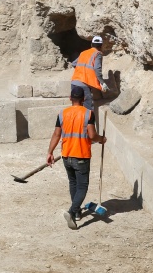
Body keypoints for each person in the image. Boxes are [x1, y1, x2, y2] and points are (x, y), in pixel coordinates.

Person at [46, 86, 107, 230]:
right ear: (84, 98)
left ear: (70, 98)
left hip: (66, 155)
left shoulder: (62, 113)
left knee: (73, 183)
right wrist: (102, 139)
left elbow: (56, 134)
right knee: (82, 186)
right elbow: (92, 135)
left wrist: (50, 152)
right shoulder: (88, 114)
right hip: (81, 155)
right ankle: (72, 211)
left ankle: (78, 211)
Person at [71, 36, 109, 111]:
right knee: (88, 109)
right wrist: (102, 82)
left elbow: (74, 63)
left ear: (91, 44)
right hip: (84, 84)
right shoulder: (98, 54)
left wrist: (82, 70)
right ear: (101, 46)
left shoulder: (83, 53)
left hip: (74, 81)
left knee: (76, 108)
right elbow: (97, 69)